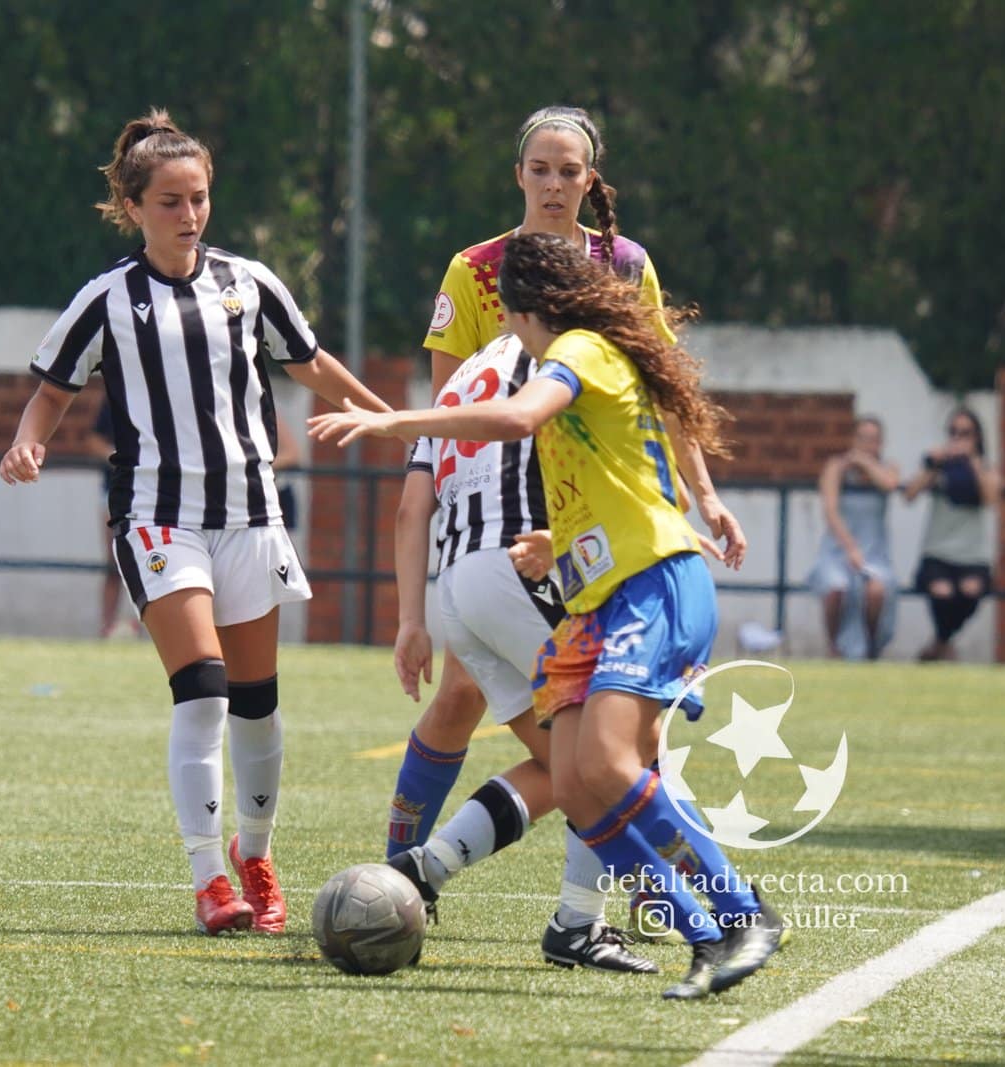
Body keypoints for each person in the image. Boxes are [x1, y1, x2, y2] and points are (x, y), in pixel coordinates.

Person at [312, 232, 783, 1000]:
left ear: (523, 310)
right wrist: (554, 540)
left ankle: (741, 912)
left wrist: (395, 422)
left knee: (610, 766)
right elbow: (613, 480)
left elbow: (517, 420)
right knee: (574, 781)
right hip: (599, 597)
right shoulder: (578, 362)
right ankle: (703, 939)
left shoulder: (579, 349)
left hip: (649, 587)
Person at [0, 109, 389, 936]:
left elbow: (309, 361)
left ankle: (257, 855)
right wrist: (28, 441)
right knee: (203, 689)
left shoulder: (249, 283)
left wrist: (388, 417)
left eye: (200, 198)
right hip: (156, 517)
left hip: (249, 513)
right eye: (170, 201)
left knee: (257, 703)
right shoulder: (108, 297)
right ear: (133, 206)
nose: (189, 214)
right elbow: (53, 389)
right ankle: (210, 876)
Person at [385, 105, 743, 861]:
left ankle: (581, 901)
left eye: (568, 171)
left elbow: (661, 388)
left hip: (588, 508)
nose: (553, 184)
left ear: (590, 180)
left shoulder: (626, 263)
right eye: (540, 170)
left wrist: (704, 492)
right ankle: (407, 869)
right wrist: (437, 551)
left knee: (595, 736)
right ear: (518, 175)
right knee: (474, 700)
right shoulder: (475, 269)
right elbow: (450, 410)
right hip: (505, 513)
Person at [386, 333, 656, 973]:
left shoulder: (459, 382)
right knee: (613, 751)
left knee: (563, 765)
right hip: (521, 568)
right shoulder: (561, 357)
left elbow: (410, 510)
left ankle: (426, 867)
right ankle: (582, 923)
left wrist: (411, 620)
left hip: (459, 589)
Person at [903, 407, 1001, 661]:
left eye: (965, 433)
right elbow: (909, 494)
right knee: (942, 592)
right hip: (938, 552)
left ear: (977, 437)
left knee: (970, 591)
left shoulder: (986, 468)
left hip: (972, 555)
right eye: (953, 432)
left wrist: (973, 462)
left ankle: (939, 643)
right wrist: (933, 464)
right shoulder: (940, 466)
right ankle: (943, 646)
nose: (958, 438)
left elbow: (991, 499)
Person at [809, 416, 899, 659]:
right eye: (862, 438)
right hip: (838, 551)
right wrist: (850, 548)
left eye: (873, 439)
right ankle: (833, 649)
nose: (867, 444)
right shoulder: (835, 468)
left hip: (875, 555)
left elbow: (890, 484)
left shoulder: (888, 467)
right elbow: (830, 511)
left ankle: (871, 651)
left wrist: (865, 462)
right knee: (836, 589)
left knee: (876, 592)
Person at [84, 399, 138, 639]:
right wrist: (120, 458)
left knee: (154, 564)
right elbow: (93, 441)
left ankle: (149, 627)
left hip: (161, 494)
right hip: (117, 492)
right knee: (115, 561)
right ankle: (107, 628)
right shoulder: (118, 397)